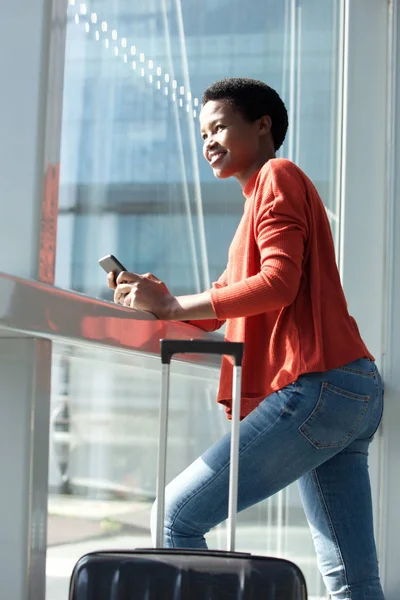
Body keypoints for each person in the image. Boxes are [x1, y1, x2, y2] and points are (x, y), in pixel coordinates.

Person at [107, 78, 385, 600]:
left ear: (262, 127)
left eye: (220, 127)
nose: (209, 140)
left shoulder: (277, 176)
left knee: (173, 521)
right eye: (203, 132)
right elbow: (223, 305)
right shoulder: (255, 206)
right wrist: (158, 298)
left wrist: (170, 307)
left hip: (318, 386)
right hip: (347, 390)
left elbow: (278, 283)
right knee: (352, 583)